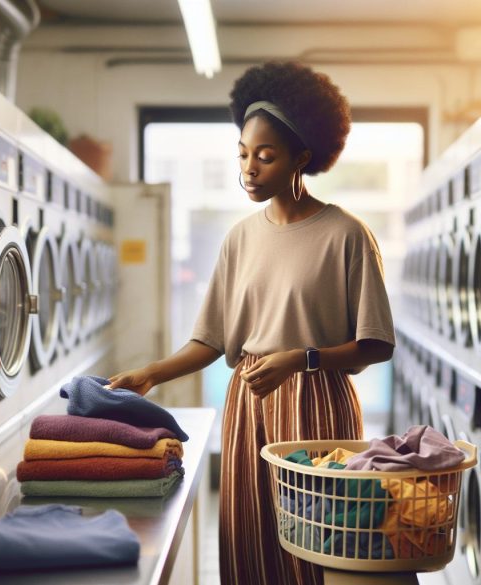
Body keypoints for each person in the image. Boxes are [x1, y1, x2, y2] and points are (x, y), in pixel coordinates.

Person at [107, 61, 395, 585]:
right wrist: (150, 374)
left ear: (301, 159)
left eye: (266, 156)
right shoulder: (239, 237)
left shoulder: (347, 235)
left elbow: (375, 345)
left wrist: (300, 359)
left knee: (320, 543)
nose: (250, 168)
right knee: (249, 542)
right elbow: (210, 340)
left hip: (316, 402)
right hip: (249, 402)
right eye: (243, 154)